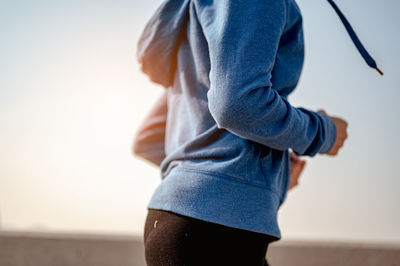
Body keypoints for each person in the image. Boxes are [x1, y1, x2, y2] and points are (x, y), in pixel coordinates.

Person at [132, 0, 380, 265]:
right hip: (216, 233)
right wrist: (323, 132)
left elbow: (148, 139)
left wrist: (266, 174)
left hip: (173, 222)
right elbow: (239, 104)